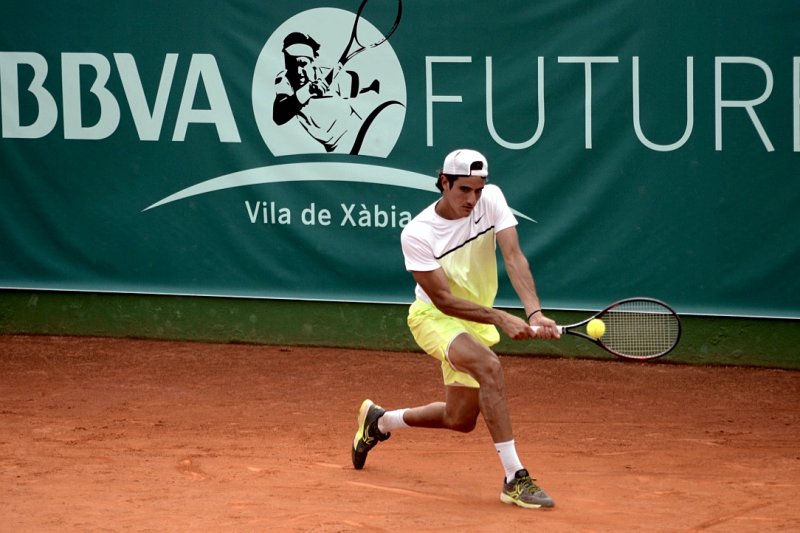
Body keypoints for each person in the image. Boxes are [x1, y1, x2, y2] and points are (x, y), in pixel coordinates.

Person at [351, 148, 560, 509]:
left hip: (473, 321)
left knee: (460, 418)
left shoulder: (490, 201)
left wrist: (534, 312)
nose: (473, 199)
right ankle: (514, 478)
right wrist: (500, 317)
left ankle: (381, 422)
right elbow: (444, 300)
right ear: (443, 183)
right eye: (464, 189)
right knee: (490, 366)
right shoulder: (418, 233)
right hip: (434, 317)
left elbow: (513, 256)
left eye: (478, 190)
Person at [272, 32, 382, 154]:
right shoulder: (284, 80)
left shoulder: (324, 74)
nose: (298, 71)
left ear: (312, 62)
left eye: (303, 64)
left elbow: (355, 86)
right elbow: (279, 116)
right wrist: (309, 90)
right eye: (291, 64)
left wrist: (372, 87)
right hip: (341, 150)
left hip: (363, 132)